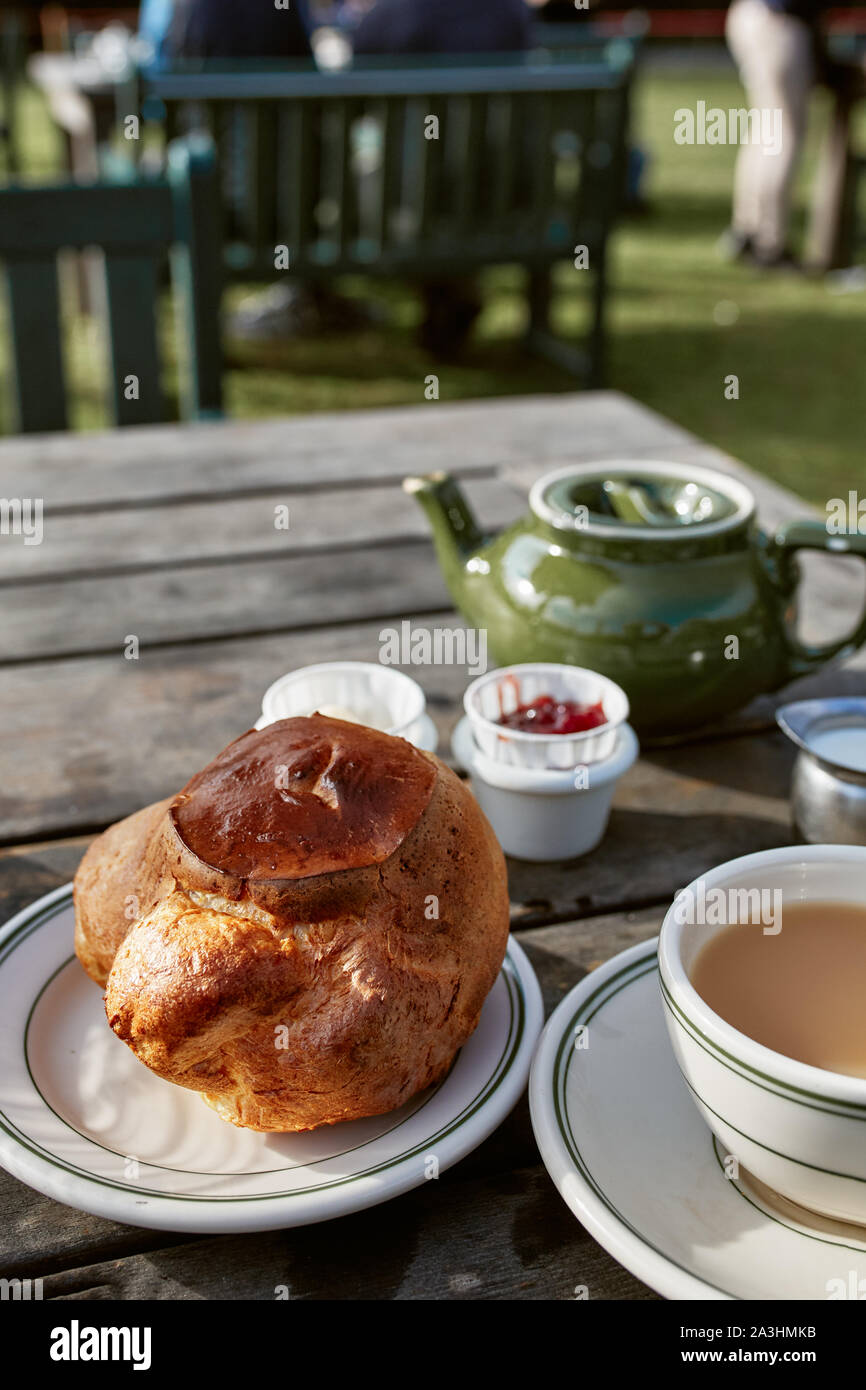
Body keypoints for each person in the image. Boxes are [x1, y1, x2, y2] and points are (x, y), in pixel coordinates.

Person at [352, 0, 532, 354]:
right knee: (454, 181)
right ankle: (453, 289)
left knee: (399, 173)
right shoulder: (509, 12)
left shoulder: (386, 15)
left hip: (409, 203)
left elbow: (357, 93)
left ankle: (444, 289)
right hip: (495, 200)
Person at [724, 0, 829, 268]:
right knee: (784, 133)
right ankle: (769, 242)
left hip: (750, 15)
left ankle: (748, 229)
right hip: (778, 20)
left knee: (765, 127)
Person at [352, 0, 532, 54]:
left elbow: (360, 51)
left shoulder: (398, 10)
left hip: (418, 133)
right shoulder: (511, 8)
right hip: (490, 139)